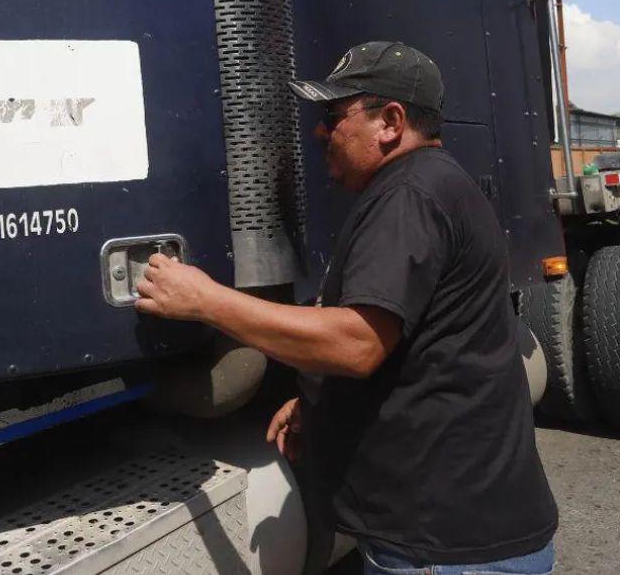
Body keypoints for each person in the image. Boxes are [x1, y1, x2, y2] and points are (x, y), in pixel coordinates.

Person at [135, 41, 558, 574]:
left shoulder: (411, 196)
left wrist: (205, 300)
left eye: (333, 115)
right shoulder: (430, 184)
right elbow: (415, 346)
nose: (319, 132)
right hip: (461, 535)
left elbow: (356, 343)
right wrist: (319, 404)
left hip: (443, 549)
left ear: (391, 121)